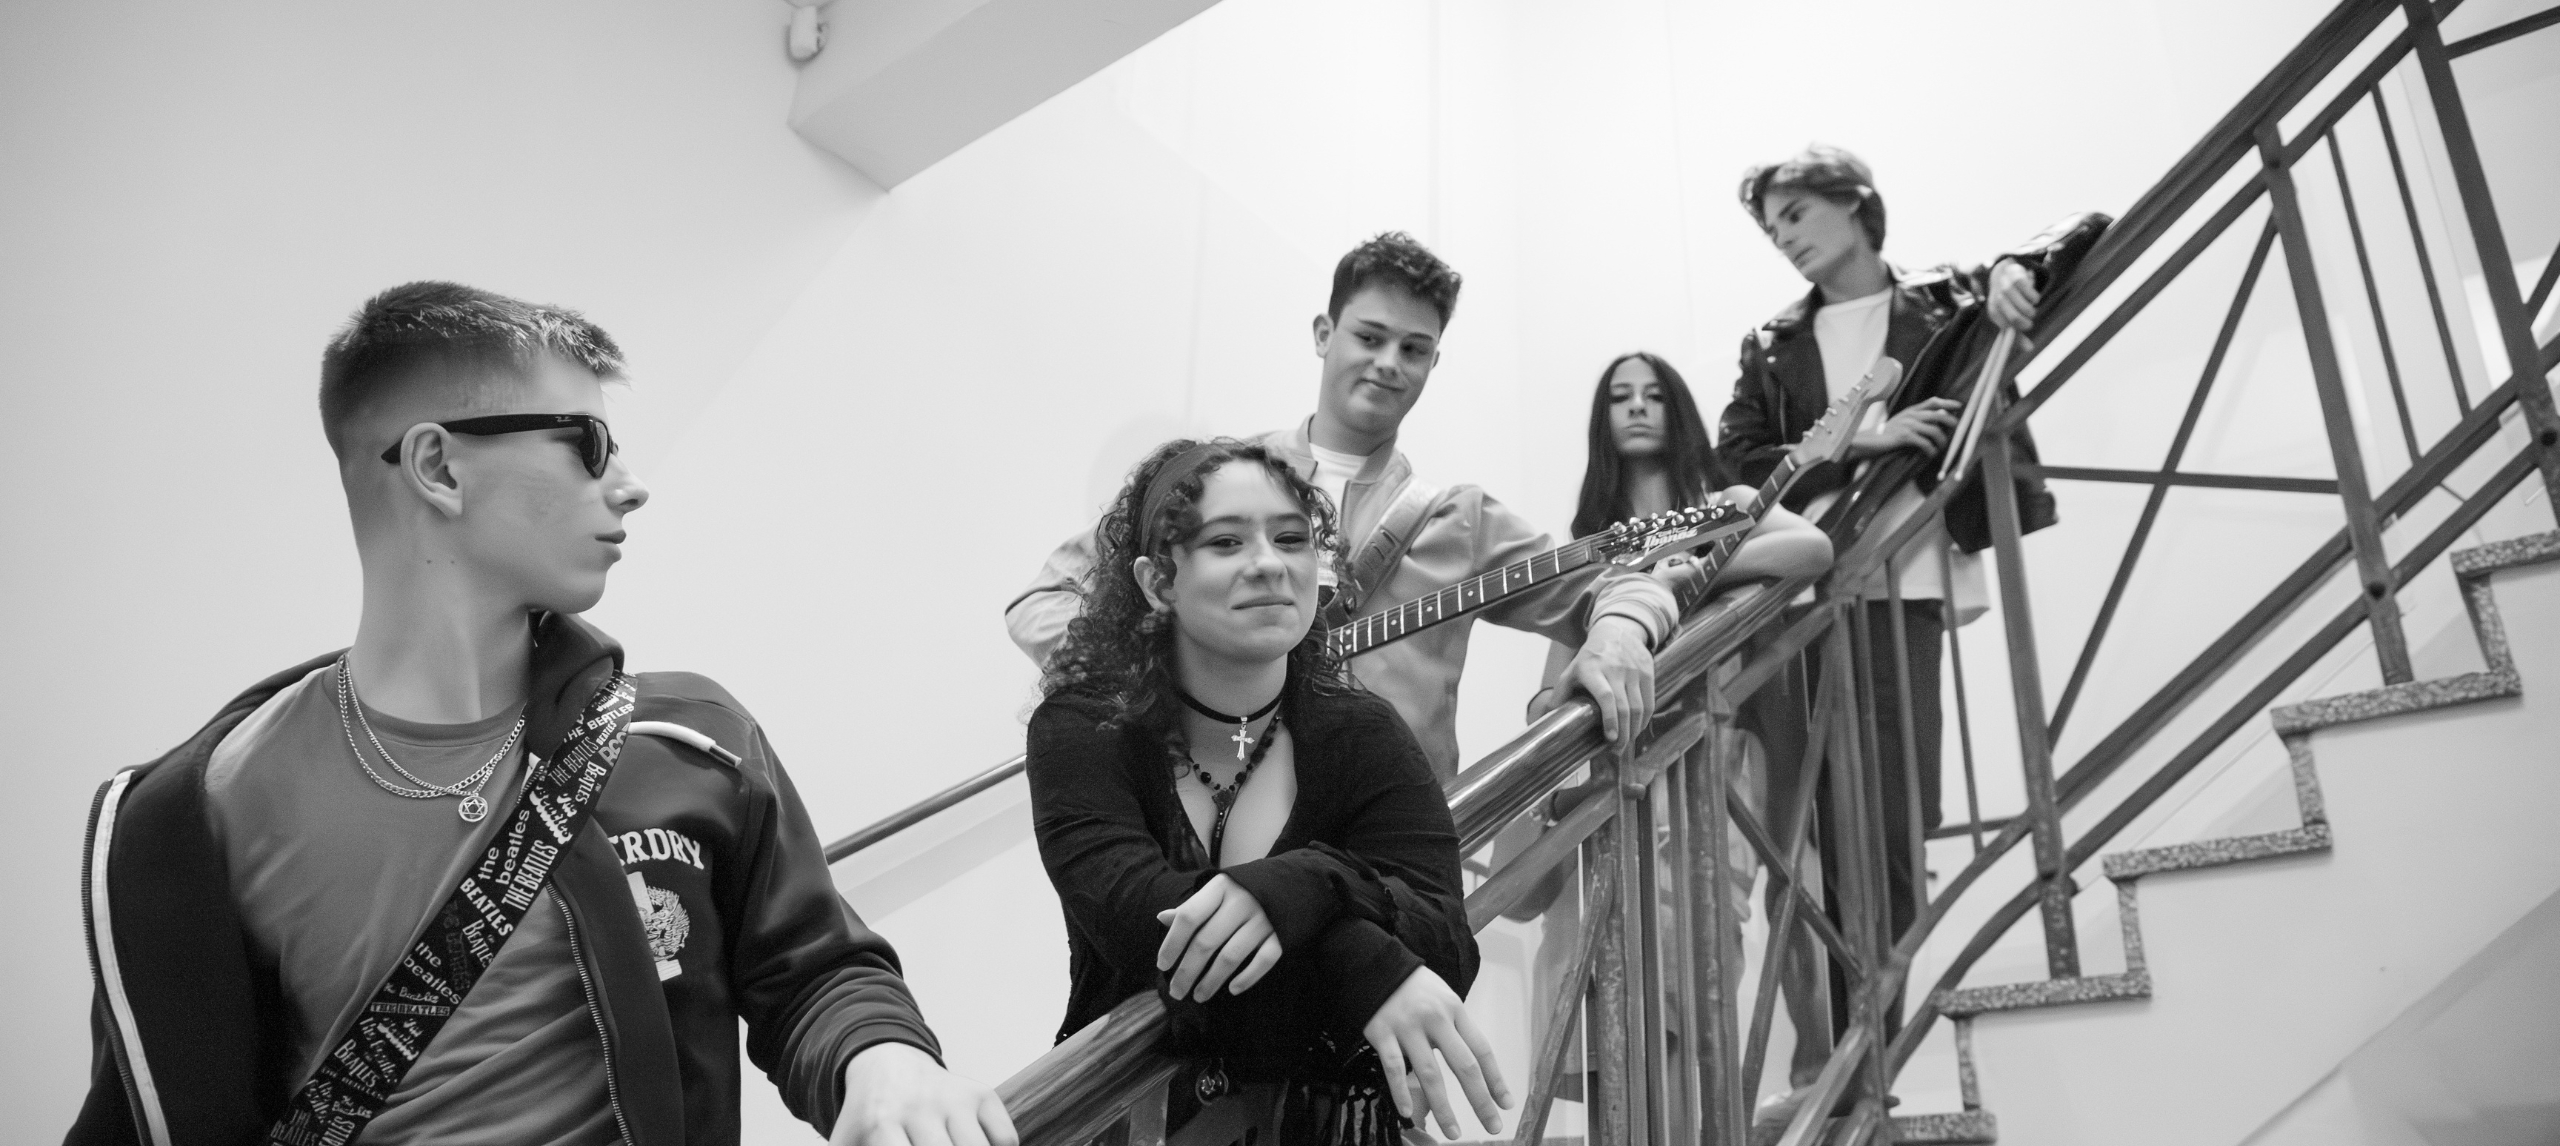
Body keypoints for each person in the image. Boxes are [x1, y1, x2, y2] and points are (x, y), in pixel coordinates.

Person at [69, 283, 1014, 1146]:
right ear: (438, 467)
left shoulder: (687, 739)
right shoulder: (200, 813)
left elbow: (813, 970)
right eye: (587, 444)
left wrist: (884, 1060)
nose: (630, 483)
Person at [1715, 145, 2104, 1119]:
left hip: (1907, 586)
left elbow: (2080, 232)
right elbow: (1737, 460)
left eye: (1798, 213)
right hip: (1809, 598)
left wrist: (2019, 275)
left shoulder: (1950, 294)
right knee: (1826, 837)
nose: (1786, 238)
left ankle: (1862, 1055)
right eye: (1772, 226)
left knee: (1891, 824)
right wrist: (1863, 436)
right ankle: (1851, 1061)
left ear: (1855, 204)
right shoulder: (1771, 342)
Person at [1008, 233, 1683, 782]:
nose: (1390, 362)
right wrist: (1160, 679)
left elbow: (1617, 584)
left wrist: (1621, 631)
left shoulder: (1463, 518)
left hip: (1389, 852)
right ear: (1324, 332)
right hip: (1221, 815)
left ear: (1433, 362)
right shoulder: (1213, 477)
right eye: (1370, 336)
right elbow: (1047, 597)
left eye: (1414, 349)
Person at [1026, 438, 1508, 1144]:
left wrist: (1316, 883)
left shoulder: (1364, 732)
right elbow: (1149, 932)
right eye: (1225, 542)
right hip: (1140, 1116)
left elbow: (1445, 946)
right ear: (1159, 583)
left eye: (1292, 539)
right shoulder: (1084, 729)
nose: (1269, 563)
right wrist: (1358, 953)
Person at [1501, 350, 1836, 1106]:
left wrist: (1689, 572)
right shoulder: (1593, 539)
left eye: (1654, 394)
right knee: (1601, 971)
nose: (1638, 407)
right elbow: (1558, 673)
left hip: (1708, 761)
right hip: (1613, 762)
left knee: (1700, 954)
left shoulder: (1728, 502)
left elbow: (1812, 548)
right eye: (1620, 396)